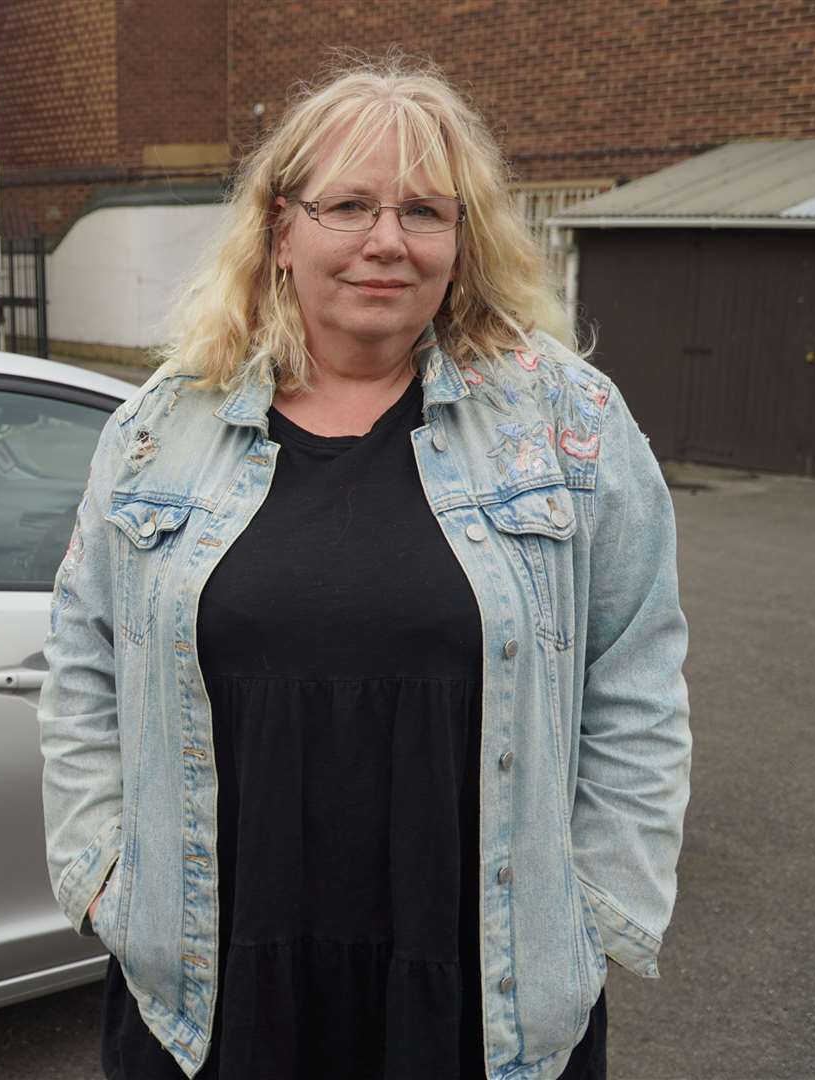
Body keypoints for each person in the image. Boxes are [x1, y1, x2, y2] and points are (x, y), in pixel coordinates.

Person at [38, 56, 690, 1080]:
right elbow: (81, 664)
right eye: (346, 205)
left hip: (482, 991)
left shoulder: (569, 425)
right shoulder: (160, 429)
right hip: (212, 985)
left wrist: (596, 910)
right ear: (278, 228)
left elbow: (636, 683)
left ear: (460, 240)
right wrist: (100, 874)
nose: (385, 241)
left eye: (424, 211)